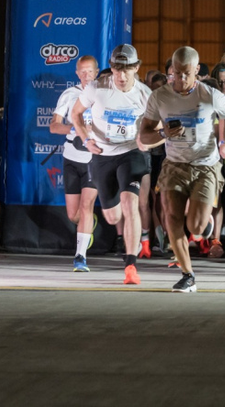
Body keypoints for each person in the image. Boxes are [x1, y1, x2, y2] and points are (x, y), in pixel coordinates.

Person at [138, 46, 225, 293]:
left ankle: (205, 225)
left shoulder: (209, 95)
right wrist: (162, 133)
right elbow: (144, 137)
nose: (180, 79)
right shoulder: (159, 96)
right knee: (172, 218)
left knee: (197, 228)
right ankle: (187, 275)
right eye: (176, 73)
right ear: (171, 70)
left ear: (197, 70)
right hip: (174, 164)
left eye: (186, 74)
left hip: (205, 166)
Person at [70, 44, 152, 286]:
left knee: (131, 204)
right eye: (117, 69)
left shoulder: (145, 94)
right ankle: (118, 229)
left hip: (131, 152)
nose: (121, 75)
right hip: (102, 155)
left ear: (137, 67)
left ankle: (130, 266)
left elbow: (158, 125)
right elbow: (76, 114)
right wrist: (86, 139)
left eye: (127, 70)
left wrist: (147, 138)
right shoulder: (97, 88)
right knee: (113, 216)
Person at [50, 55, 100, 272]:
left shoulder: (103, 95)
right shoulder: (70, 94)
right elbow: (53, 126)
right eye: (83, 72)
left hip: (93, 159)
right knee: (74, 214)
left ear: (97, 72)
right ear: (77, 74)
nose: (87, 76)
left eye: (90, 72)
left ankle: (80, 257)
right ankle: (89, 225)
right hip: (71, 157)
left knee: (87, 206)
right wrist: (76, 129)